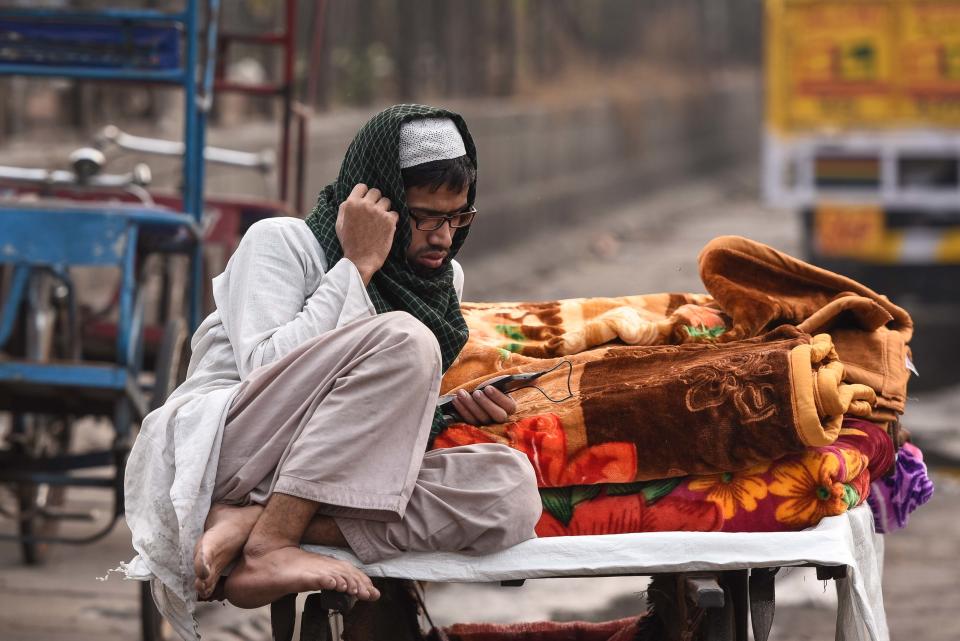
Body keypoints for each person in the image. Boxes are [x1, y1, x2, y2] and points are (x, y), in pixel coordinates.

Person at [123, 105, 541, 631]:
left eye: (459, 217)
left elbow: (369, 414)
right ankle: (270, 547)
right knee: (406, 339)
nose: (443, 236)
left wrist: (450, 411)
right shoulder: (281, 242)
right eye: (426, 216)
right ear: (377, 201)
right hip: (234, 449)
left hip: (321, 473)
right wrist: (356, 266)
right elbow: (265, 371)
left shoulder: (440, 279)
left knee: (509, 492)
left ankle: (260, 524)